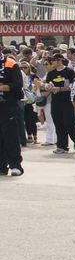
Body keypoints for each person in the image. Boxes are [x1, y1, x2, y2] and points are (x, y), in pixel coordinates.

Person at [43, 53, 75, 154]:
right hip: (55, 101)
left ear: (59, 61)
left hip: (67, 101)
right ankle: (62, 146)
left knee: (69, 122)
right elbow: (48, 83)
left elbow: (72, 87)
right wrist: (48, 87)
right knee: (58, 123)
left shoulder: (69, 72)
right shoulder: (51, 73)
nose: (52, 63)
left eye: (53, 61)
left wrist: (59, 89)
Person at [0, 48, 24, 176]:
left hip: (8, 105)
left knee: (10, 136)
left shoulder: (10, 63)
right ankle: (2, 166)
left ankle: (15, 165)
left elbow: (18, 84)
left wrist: (3, 87)